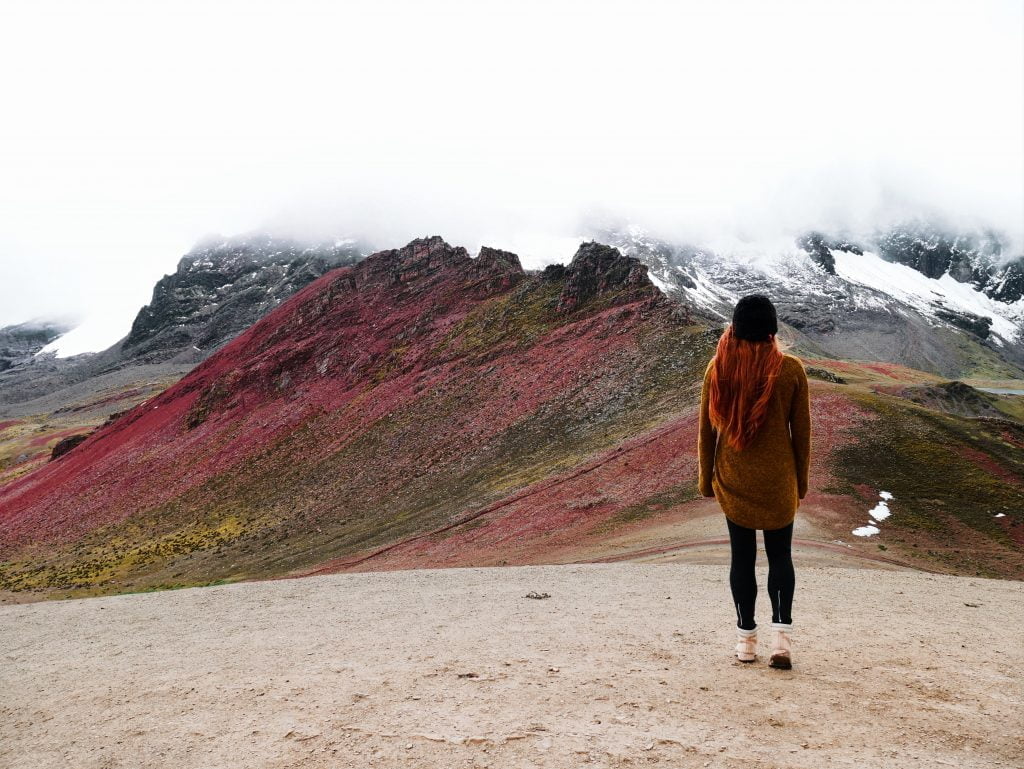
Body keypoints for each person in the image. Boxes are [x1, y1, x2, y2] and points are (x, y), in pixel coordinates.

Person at [697, 294, 811, 669]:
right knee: (781, 556)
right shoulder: (791, 370)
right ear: (771, 333)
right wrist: (801, 482)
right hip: (779, 480)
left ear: (735, 328)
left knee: (741, 559)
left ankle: (746, 642)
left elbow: (705, 432)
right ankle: (782, 643)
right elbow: (802, 434)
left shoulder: (718, 369)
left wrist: (705, 480)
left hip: (734, 479)